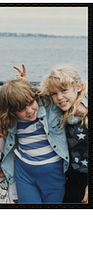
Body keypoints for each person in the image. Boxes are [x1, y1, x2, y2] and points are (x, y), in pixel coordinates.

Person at [0, 75, 70, 203]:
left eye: (31, 103)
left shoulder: (49, 108)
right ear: (12, 111)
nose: (29, 111)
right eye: (21, 109)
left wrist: (28, 85)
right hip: (25, 176)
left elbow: (74, 94)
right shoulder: (12, 122)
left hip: (54, 176)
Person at [40, 65, 88, 203]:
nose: (59, 97)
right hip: (70, 176)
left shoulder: (85, 113)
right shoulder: (60, 111)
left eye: (64, 90)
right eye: (53, 93)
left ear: (78, 87)